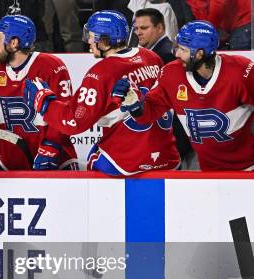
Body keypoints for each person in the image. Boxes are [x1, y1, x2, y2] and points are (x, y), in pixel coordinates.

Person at [25, 10, 179, 176]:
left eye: (91, 36)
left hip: (126, 163)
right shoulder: (150, 57)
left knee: (92, 161)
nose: (89, 41)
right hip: (167, 157)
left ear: (103, 39)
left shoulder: (102, 72)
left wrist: (45, 102)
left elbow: (74, 121)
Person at [115, 21, 253, 171]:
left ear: (200, 53)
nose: (176, 54)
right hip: (209, 170)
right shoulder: (171, 73)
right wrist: (135, 105)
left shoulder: (241, 71)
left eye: (183, 49)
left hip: (249, 168)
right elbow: (149, 112)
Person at [0, 14, 77, 170]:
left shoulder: (51, 66)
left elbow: (66, 114)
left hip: (57, 161)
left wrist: (51, 147)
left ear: (14, 43)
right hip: (12, 164)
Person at [134, 7, 196, 169]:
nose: (138, 32)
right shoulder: (154, 54)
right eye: (136, 28)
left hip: (177, 138)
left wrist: (179, 143)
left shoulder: (167, 56)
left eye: (144, 28)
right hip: (171, 137)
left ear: (160, 28)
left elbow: (179, 101)